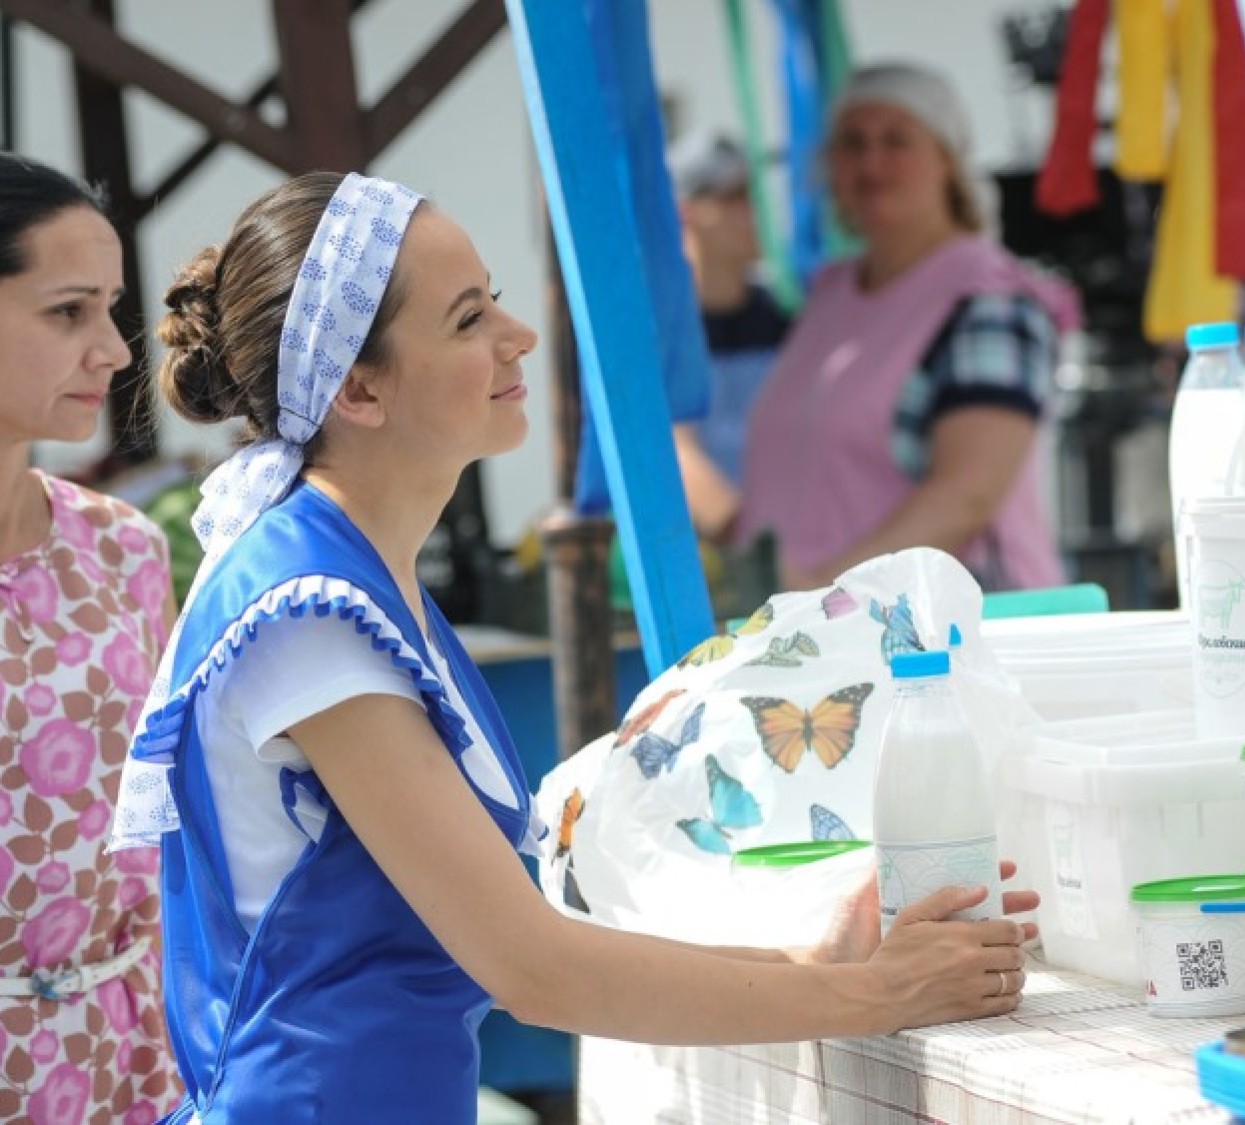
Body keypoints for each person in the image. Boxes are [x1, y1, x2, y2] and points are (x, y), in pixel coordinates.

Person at [108, 171, 1039, 1124]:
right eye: (469, 319)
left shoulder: (348, 574)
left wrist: (819, 959)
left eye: (495, 300)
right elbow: (534, 967)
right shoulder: (309, 613)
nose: (518, 336)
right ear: (359, 386)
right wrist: (875, 993)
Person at [736, 63, 1083, 592]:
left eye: (897, 140)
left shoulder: (990, 299)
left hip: (941, 629)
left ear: (947, 161)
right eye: (852, 143)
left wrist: (823, 596)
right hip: (813, 626)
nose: (871, 162)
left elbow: (967, 496)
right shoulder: (828, 296)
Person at [0, 152, 180, 1121]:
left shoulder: (125, 549)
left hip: (129, 1062)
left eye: (109, 309)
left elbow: (167, 829)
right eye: (68, 311)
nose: (112, 349)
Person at [668, 132, 790, 541]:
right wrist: (754, 547)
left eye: (754, 194)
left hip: (794, 551)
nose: (757, 211)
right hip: (702, 560)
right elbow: (673, 451)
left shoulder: (789, 316)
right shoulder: (659, 333)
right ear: (686, 212)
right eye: (736, 197)